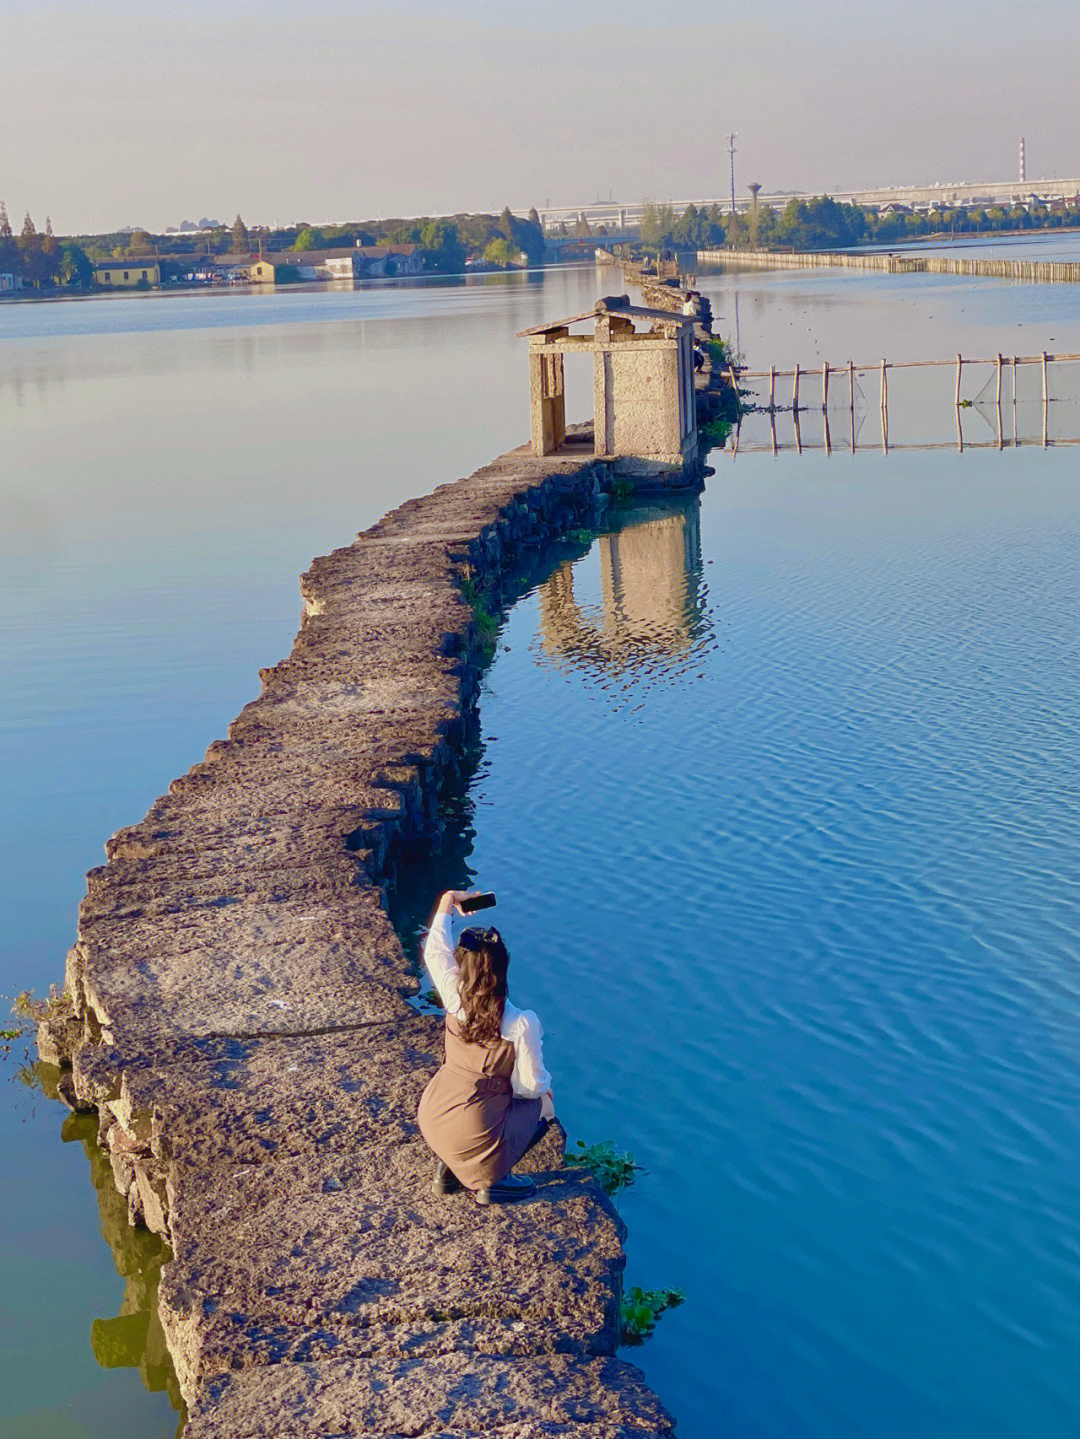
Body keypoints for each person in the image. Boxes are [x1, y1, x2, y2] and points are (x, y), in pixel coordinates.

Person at [417, 889, 555, 1206]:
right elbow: (529, 1087)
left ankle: (449, 1170)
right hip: (474, 1127)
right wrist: (539, 1091)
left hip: (433, 1116)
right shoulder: (521, 1024)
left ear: (461, 968)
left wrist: (447, 903)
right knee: (545, 1106)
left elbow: (435, 952)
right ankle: (494, 1180)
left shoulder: (453, 996)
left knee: (481, 1105)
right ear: (503, 971)